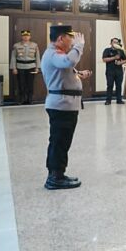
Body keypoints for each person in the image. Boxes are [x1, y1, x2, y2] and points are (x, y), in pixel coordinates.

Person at [42, 25, 92, 190]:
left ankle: (58, 174)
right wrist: (79, 46)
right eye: (70, 37)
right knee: (59, 142)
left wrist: (78, 74)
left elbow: (64, 71)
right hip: (61, 106)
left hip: (65, 105)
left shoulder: (58, 54)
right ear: (60, 38)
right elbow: (68, 62)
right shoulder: (53, 53)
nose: (72, 41)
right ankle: (55, 178)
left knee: (61, 141)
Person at [10, 30, 40, 105]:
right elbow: (13, 57)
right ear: (22, 37)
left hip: (31, 67)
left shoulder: (34, 45)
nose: (26, 37)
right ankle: (22, 99)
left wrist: (37, 67)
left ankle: (30, 99)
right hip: (20, 67)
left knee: (30, 84)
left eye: (27, 36)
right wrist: (14, 68)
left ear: (30, 37)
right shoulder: (16, 45)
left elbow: (37, 57)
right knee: (21, 84)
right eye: (24, 36)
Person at [102, 37, 126, 105]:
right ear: (111, 43)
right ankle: (108, 100)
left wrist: (120, 63)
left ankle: (119, 100)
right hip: (110, 71)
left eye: (117, 42)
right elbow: (104, 59)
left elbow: (125, 60)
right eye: (114, 42)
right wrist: (114, 58)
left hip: (119, 71)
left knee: (119, 86)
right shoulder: (107, 50)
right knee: (110, 85)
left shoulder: (120, 51)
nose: (116, 43)